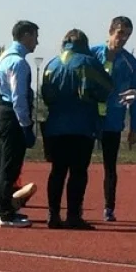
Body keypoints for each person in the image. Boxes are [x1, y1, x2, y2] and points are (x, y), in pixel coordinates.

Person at [40, 29, 114, 229]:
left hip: (55, 126)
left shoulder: (51, 64)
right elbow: (106, 88)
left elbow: (45, 94)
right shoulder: (88, 62)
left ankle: (53, 214)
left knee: (57, 171)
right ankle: (73, 215)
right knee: (78, 171)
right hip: (82, 125)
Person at [90, 17, 136, 221]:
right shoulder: (92, 54)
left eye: (128, 34)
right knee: (79, 165)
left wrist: (135, 126)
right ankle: (75, 207)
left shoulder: (131, 63)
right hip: (89, 119)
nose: (123, 38)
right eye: (120, 33)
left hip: (112, 121)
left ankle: (108, 208)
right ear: (111, 31)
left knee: (110, 166)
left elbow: (135, 97)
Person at [0, 20, 39, 228]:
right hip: (11, 116)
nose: (37, 42)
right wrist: (26, 125)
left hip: (0, 112)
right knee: (9, 167)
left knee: (4, 165)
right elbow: (19, 98)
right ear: (26, 35)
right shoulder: (18, 63)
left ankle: (4, 210)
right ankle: (5, 214)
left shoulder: (3, 57)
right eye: (35, 37)